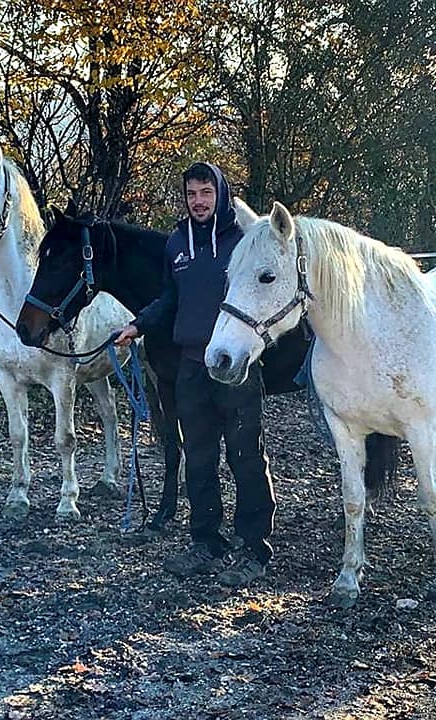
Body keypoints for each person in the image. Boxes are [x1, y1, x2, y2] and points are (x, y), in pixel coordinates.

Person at [114, 162, 275, 588]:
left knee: (245, 456)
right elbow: (171, 296)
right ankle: (206, 540)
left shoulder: (243, 240)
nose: (199, 201)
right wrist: (139, 324)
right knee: (199, 457)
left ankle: (255, 547)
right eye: (191, 194)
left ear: (220, 193)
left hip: (235, 365)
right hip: (191, 363)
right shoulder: (175, 246)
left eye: (206, 192)